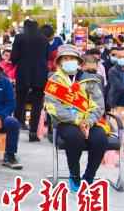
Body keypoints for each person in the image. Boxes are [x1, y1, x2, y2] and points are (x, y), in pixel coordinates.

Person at [44, 45, 108, 192]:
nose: (69, 61)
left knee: (100, 139)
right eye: (65, 59)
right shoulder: (54, 81)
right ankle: (75, 175)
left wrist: (88, 122)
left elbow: (98, 105)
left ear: (78, 62)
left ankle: (89, 177)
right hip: (66, 122)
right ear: (59, 63)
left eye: (72, 58)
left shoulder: (89, 79)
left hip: (90, 121)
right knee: (75, 137)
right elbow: (53, 107)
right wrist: (78, 121)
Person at [11, 19, 48, 142]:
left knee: (20, 102)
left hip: (23, 74)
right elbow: (46, 57)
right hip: (40, 75)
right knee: (37, 104)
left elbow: (13, 58)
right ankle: (33, 132)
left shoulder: (19, 38)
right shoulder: (43, 39)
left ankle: (15, 129)